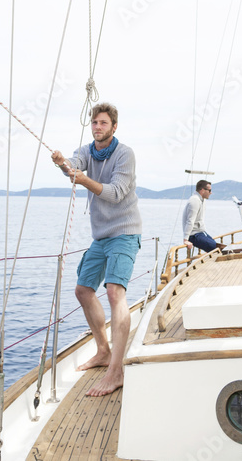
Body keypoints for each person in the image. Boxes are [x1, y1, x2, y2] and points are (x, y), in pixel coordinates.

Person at [51, 102, 141, 397]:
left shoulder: (125, 154)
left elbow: (115, 193)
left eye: (103, 123)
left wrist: (84, 179)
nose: (97, 127)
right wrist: (62, 163)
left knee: (115, 292)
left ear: (114, 126)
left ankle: (116, 371)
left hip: (125, 232)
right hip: (101, 236)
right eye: (94, 122)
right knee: (83, 290)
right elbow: (73, 167)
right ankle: (103, 350)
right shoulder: (87, 151)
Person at [183, 180, 221, 252]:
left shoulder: (202, 200)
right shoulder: (194, 201)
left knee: (219, 247)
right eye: (209, 190)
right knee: (216, 248)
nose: (211, 193)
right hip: (193, 235)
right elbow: (190, 221)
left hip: (201, 232)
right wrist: (185, 239)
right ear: (203, 190)